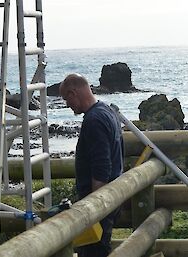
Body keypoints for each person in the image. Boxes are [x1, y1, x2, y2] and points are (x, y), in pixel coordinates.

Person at [59, 73, 124, 257]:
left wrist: (94, 208)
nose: (67, 104)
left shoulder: (93, 120)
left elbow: (101, 166)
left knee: (94, 252)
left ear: (73, 93)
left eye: (66, 99)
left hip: (99, 203)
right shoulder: (107, 111)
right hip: (112, 196)